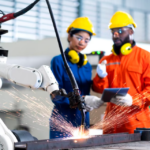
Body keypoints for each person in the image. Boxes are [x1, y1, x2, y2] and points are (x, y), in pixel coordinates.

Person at [84, 11, 150, 134]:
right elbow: (99, 89)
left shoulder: (145, 58)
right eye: (113, 32)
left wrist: (133, 100)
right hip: (111, 124)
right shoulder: (106, 60)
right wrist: (100, 76)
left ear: (131, 31)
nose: (115, 35)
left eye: (120, 31)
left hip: (136, 124)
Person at [50, 17, 96, 139]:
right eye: (79, 37)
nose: (82, 43)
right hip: (62, 117)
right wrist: (74, 102)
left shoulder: (86, 65)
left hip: (82, 117)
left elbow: (88, 90)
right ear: (70, 36)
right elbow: (55, 92)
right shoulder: (58, 61)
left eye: (87, 40)